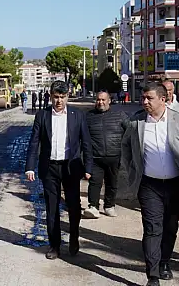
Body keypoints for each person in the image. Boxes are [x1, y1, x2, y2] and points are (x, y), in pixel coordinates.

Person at [121, 83, 179, 286]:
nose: (145, 102)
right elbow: (125, 147)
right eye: (143, 98)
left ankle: (165, 261)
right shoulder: (136, 121)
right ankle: (153, 274)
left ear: (163, 99)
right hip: (149, 185)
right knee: (152, 228)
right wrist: (132, 170)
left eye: (149, 98)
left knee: (170, 226)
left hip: (175, 184)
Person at [25, 80, 93, 260]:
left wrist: (89, 167)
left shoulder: (77, 115)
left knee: (73, 206)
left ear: (67, 97)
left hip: (71, 168)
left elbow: (86, 143)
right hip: (49, 168)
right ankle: (54, 245)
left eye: (62, 97)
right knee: (52, 207)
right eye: (56, 97)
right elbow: (34, 143)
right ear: (51, 96)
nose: (59, 101)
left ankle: (74, 237)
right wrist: (29, 167)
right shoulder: (42, 115)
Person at [83, 91, 128, 219]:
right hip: (95, 157)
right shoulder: (88, 117)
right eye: (98, 100)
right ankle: (93, 206)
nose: (100, 102)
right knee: (95, 182)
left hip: (114, 156)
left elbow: (130, 131)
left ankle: (109, 206)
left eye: (103, 100)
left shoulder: (119, 115)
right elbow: (82, 137)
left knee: (112, 183)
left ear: (109, 101)